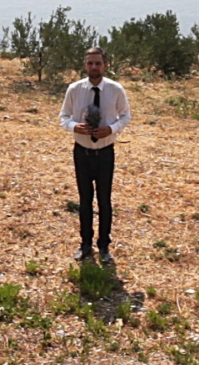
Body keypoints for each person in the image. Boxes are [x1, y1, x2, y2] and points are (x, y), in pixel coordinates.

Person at [58, 47, 132, 263]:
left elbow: (126, 116)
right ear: (85, 65)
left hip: (105, 153)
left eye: (98, 63)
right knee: (84, 200)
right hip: (82, 153)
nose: (94, 67)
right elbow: (63, 117)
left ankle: (104, 246)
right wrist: (74, 126)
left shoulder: (115, 89)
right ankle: (85, 244)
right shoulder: (74, 89)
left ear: (105, 65)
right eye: (90, 63)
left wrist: (111, 129)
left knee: (104, 200)